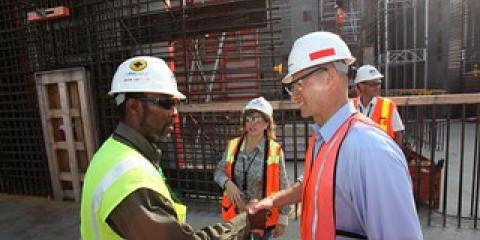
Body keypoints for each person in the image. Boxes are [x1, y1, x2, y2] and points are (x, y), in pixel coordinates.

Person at [248, 32, 423, 239]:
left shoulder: (372, 152)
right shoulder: (323, 138)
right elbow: (313, 183)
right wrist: (272, 201)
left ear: (328, 77)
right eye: (292, 87)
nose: (294, 95)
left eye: (299, 84)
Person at [80, 56, 262, 240]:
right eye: (166, 103)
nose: (174, 113)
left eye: (175, 104)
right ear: (133, 107)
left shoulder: (111, 152)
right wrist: (245, 222)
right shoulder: (129, 179)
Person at [214, 97, 291, 240]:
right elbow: (218, 172)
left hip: (262, 218)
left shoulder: (275, 150)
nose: (252, 123)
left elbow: (284, 186)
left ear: (267, 123)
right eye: (248, 118)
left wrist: (283, 217)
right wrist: (227, 183)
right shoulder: (233, 146)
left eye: (257, 119)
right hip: (236, 218)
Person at [352, 64, 405, 145]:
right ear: (360, 86)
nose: (377, 87)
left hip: (382, 154)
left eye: (379, 83)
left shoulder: (388, 105)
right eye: (373, 84)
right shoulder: (350, 106)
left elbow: (399, 134)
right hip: (358, 153)